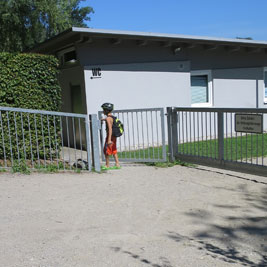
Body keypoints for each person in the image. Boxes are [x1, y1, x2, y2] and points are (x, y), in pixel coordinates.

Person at [101, 103, 120, 169]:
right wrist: (104, 119)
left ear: (106, 110)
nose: (103, 111)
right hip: (114, 137)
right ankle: (117, 164)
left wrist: (109, 140)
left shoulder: (108, 119)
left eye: (103, 110)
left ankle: (107, 165)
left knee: (106, 150)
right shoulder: (112, 117)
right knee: (114, 149)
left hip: (110, 137)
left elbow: (110, 129)